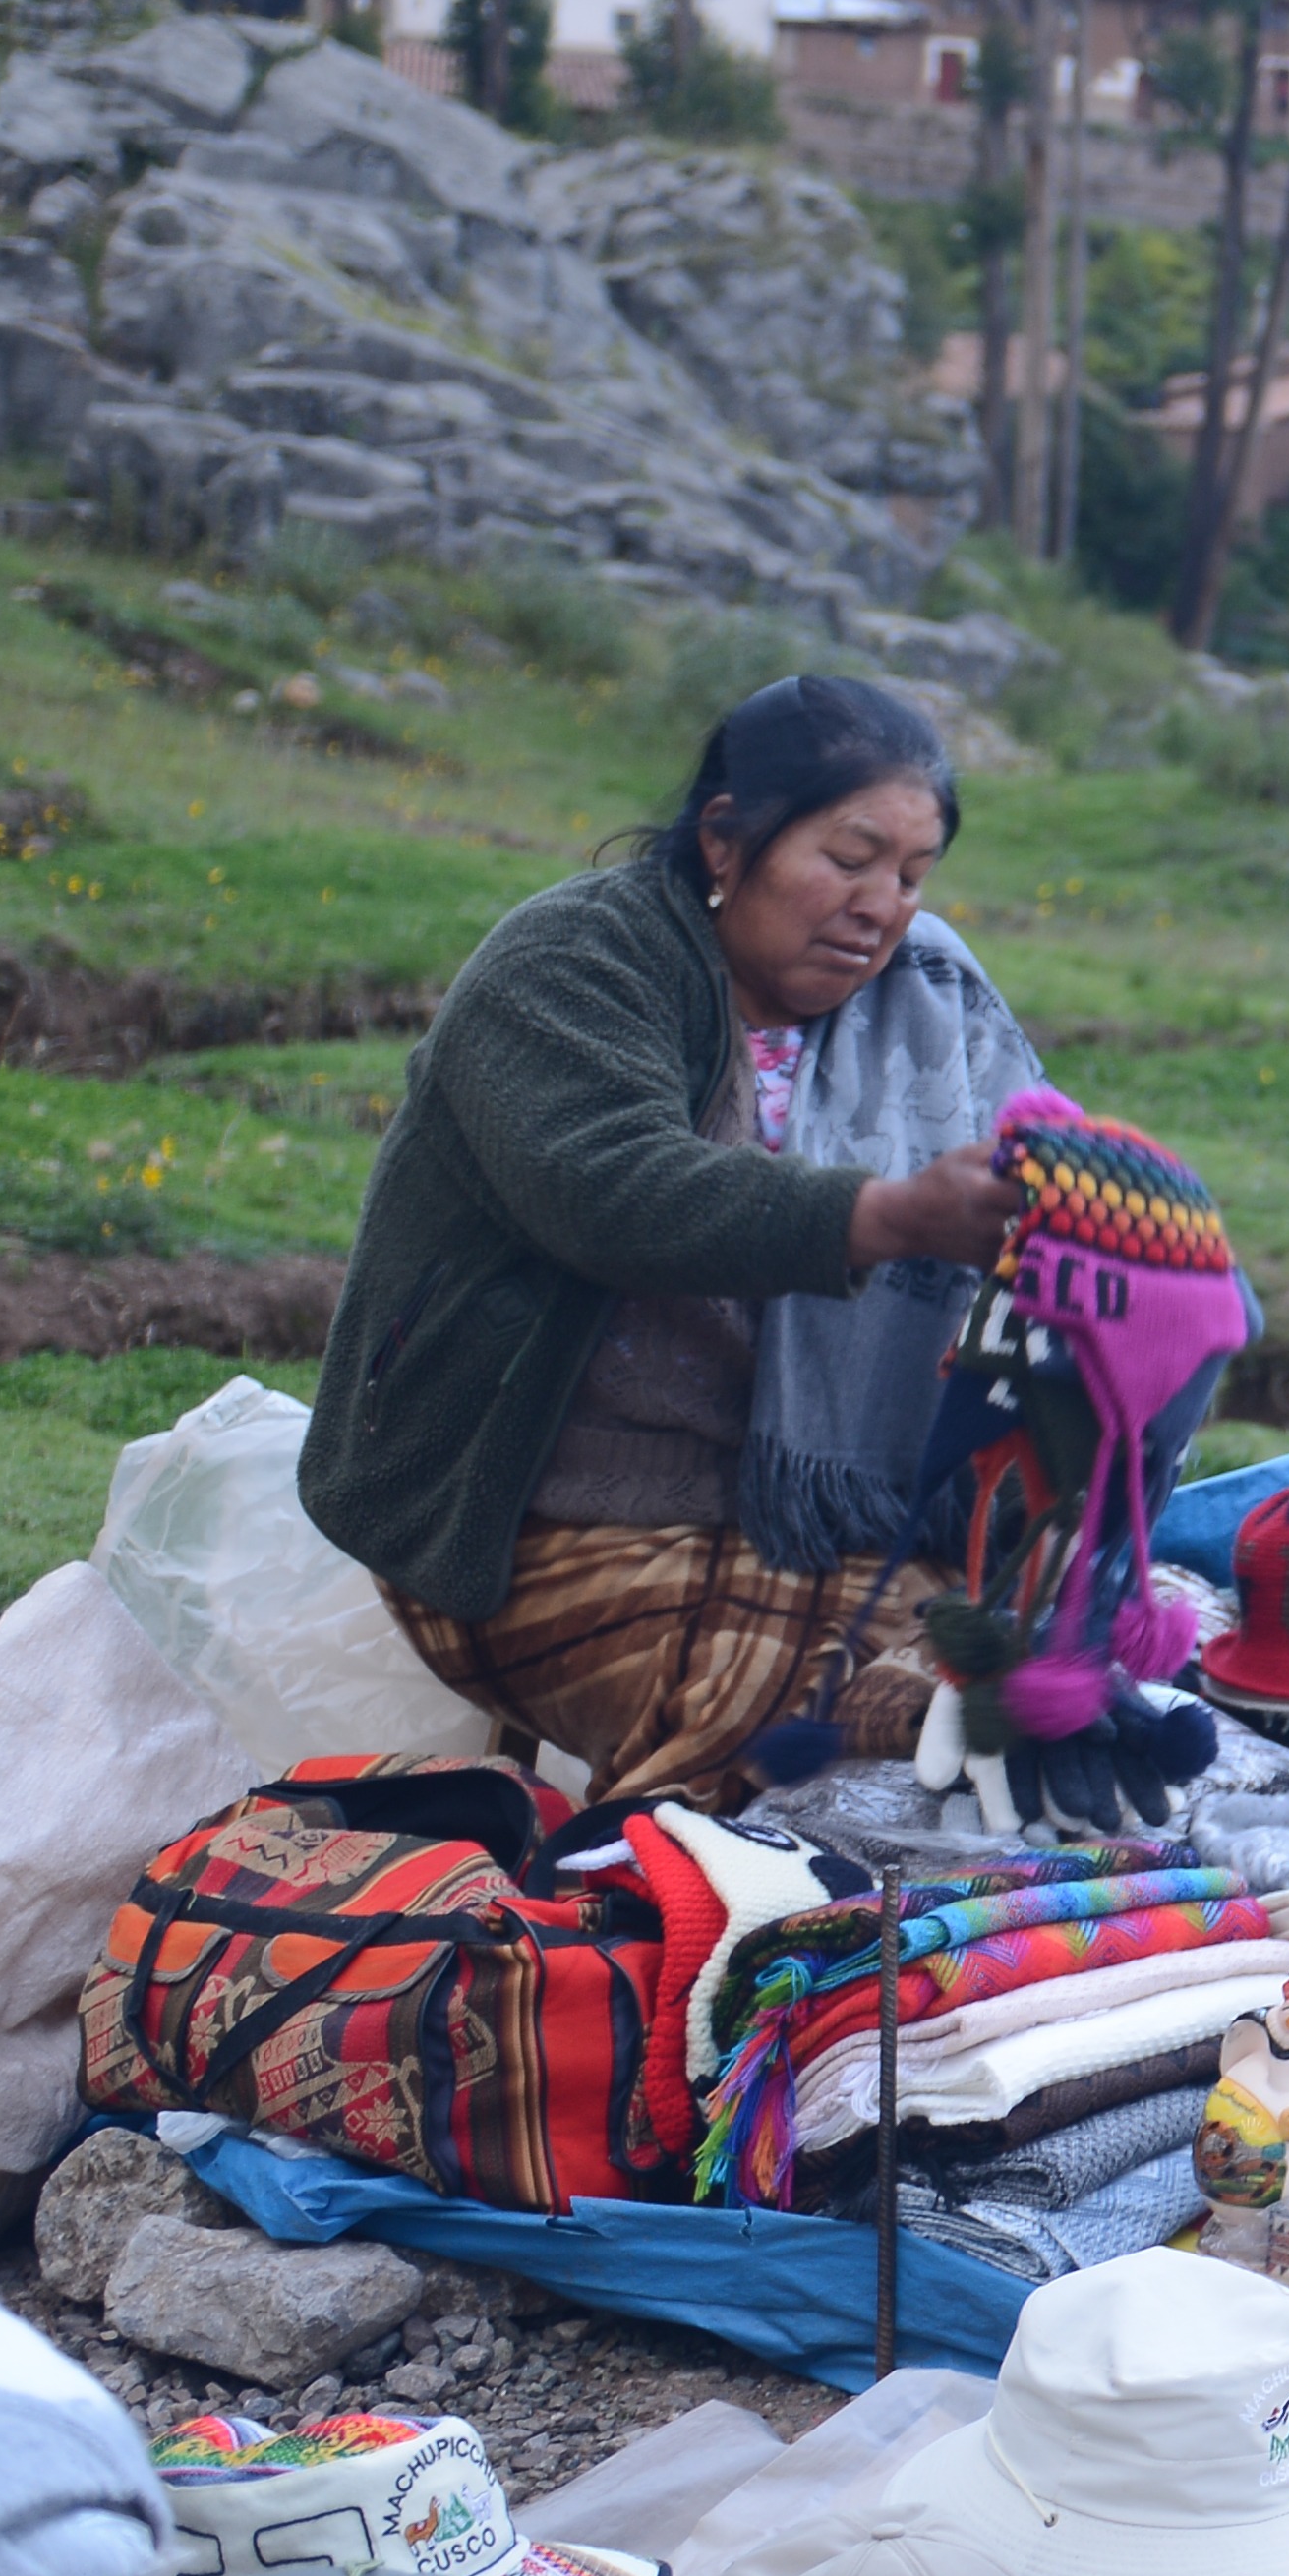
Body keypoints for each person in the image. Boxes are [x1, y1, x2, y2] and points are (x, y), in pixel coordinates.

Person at [301, 674, 1039, 1805]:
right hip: (533, 1516)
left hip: (808, 1515)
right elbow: (614, 1189)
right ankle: (623, 1925)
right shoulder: (574, 964)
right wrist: (885, 1217)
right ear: (725, 840)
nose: (881, 906)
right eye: (848, 858)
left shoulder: (928, 1011)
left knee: (1030, 1687)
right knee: (801, 1734)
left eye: (912, 874)